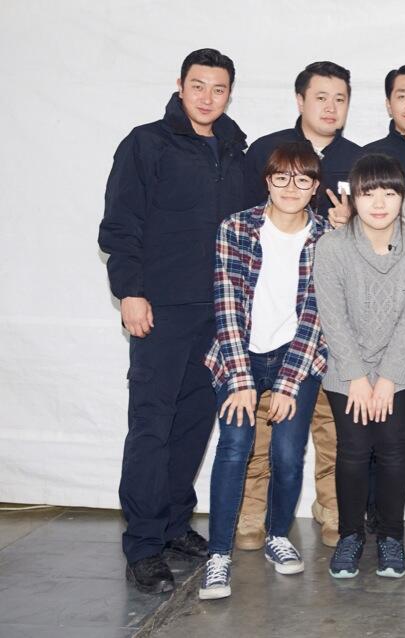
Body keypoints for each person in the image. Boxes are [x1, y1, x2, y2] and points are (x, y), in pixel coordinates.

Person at [98, 48, 246, 594]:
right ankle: (143, 545)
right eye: (198, 86)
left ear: (229, 93)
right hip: (160, 310)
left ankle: (174, 524)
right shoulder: (146, 143)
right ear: (180, 86)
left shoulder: (236, 150)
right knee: (152, 425)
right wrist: (130, 291)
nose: (207, 97)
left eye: (218, 88)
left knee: (193, 425)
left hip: (219, 314)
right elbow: (121, 224)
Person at [235, 61, 361, 552]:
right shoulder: (267, 151)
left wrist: (350, 227)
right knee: (264, 427)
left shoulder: (358, 159)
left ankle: (332, 510)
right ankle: (253, 513)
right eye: (320, 97)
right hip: (272, 320)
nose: (330, 107)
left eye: (340, 99)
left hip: (332, 322)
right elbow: (246, 226)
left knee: (331, 427)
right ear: (300, 100)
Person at [198, 142, 330, 600]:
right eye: (281, 177)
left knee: (288, 454)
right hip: (240, 352)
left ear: (315, 186)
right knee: (235, 446)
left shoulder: (327, 238)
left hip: (298, 354)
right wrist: (240, 380)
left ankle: (277, 533)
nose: (291, 188)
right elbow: (227, 306)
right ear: (267, 181)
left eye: (302, 179)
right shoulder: (235, 229)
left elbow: (316, 315)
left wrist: (289, 384)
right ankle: (218, 555)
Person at [314, 154, 405, 579]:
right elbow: (333, 317)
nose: (380, 203)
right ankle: (350, 536)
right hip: (345, 368)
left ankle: (390, 537)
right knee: (351, 451)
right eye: (369, 194)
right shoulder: (332, 246)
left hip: (398, 367)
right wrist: (356, 377)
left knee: (391, 449)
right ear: (354, 197)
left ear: (402, 196)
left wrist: (386, 379)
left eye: (389, 192)